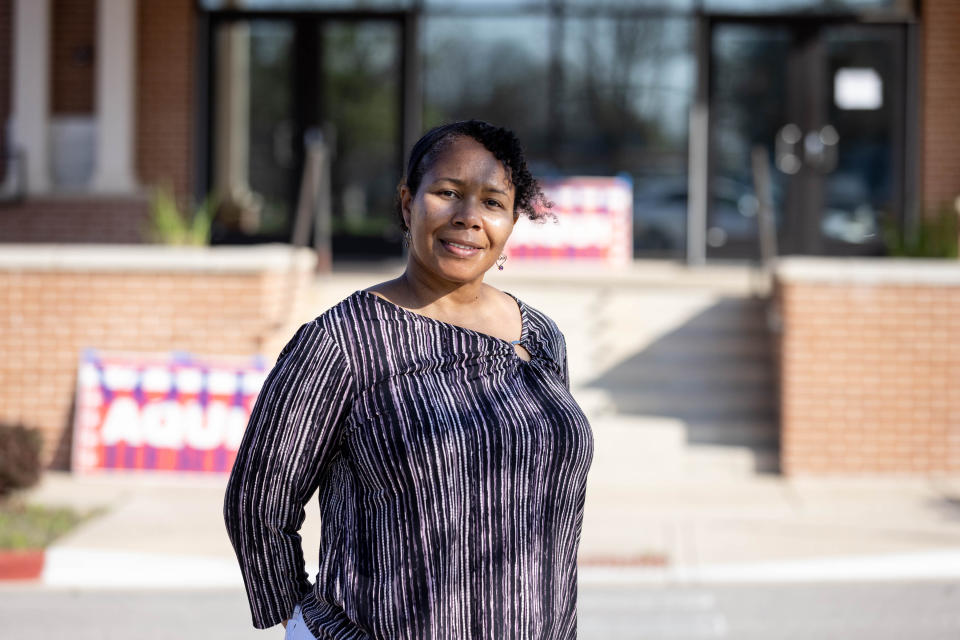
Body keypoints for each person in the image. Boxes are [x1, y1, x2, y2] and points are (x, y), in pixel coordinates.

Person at [224, 120, 593, 639]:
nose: (468, 218)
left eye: (492, 202)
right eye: (447, 193)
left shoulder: (542, 337)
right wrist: (306, 623)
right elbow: (258, 501)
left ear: (512, 221)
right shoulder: (342, 342)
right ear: (407, 203)